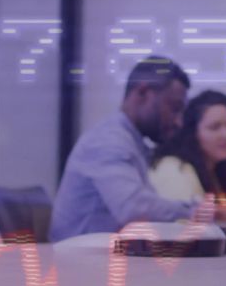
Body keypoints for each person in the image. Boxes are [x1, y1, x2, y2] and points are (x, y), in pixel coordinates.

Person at [50, 56, 209, 241]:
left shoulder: (130, 142)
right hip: (78, 262)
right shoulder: (108, 140)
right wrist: (194, 212)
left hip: (99, 258)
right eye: (174, 108)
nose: (178, 122)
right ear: (143, 92)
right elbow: (133, 209)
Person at [149, 90, 226, 225]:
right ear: (192, 133)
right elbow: (185, 224)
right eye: (214, 127)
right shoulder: (172, 167)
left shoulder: (221, 173)